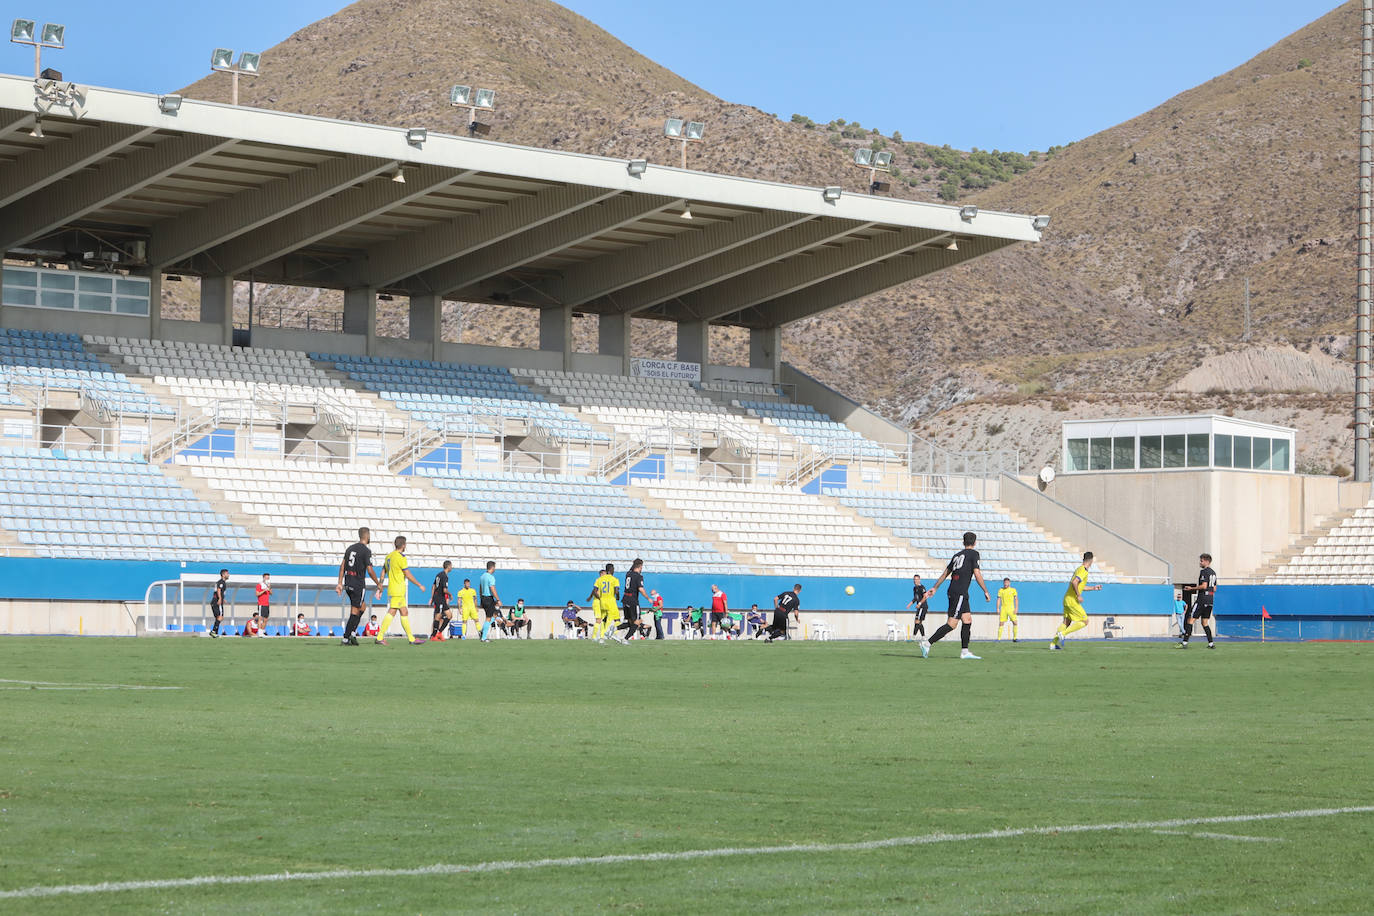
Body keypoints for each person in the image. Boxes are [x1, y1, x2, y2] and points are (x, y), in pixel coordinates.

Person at [921, 531, 991, 660]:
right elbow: (977, 573)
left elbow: (945, 573)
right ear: (975, 543)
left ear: (963, 542)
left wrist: (935, 588)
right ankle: (927, 643)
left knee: (967, 620)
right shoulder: (974, 554)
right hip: (959, 592)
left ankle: (965, 651)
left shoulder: (956, 556)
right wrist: (985, 590)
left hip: (957, 591)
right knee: (952, 624)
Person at [374, 535, 426, 645]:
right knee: (392, 611)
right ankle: (379, 637)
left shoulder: (389, 556)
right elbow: (407, 573)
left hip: (394, 589)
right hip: (398, 589)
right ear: (403, 545)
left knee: (404, 611)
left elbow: (383, 571)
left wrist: (381, 583)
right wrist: (419, 585)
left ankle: (411, 638)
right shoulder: (401, 557)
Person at [335, 527, 381, 647]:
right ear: (367, 536)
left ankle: (353, 633)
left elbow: (342, 566)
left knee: (362, 607)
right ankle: (346, 638)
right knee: (355, 611)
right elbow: (370, 570)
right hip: (358, 584)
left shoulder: (350, 548)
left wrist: (340, 583)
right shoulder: (365, 550)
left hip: (348, 583)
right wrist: (378, 583)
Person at [1051, 552, 1102, 650]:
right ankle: (1063, 633)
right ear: (1091, 560)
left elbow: (1078, 585)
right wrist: (1078, 595)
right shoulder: (1084, 570)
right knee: (1085, 621)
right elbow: (1074, 582)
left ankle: (1053, 644)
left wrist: (1093, 588)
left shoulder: (1078, 569)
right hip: (1072, 600)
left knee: (1066, 622)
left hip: (1067, 599)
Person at [1178, 553, 1219, 649]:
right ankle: (1211, 644)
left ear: (1207, 561)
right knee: (1204, 622)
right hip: (1210, 600)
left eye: (1201, 560)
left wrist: (1192, 588)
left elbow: (1204, 586)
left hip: (1202, 599)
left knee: (1191, 619)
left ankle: (1184, 643)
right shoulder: (1213, 572)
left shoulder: (1204, 572)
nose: (1200, 562)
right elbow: (1215, 588)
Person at [614, 558, 647, 644]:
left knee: (630, 622)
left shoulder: (628, 574)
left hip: (625, 599)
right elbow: (640, 589)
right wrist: (648, 598)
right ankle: (625, 639)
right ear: (640, 566)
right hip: (633, 601)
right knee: (638, 621)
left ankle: (613, 629)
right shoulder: (639, 576)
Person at [593, 564, 620, 643]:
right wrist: (617, 596)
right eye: (613, 569)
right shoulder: (615, 579)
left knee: (603, 620)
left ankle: (601, 636)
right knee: (615, 619)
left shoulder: (599, 579)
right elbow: (616, 590)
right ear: (611, 570)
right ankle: (608, 634)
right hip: (611, 601)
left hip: (602, 602)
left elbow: (595, 591)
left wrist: (600, 598)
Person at [478, 560, 501, 642]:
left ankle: (482, 631)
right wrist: (498, 599)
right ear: (492, 567)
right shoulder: (491, 577)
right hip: (488, 598)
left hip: (483, 598)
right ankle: (484, 638)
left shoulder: (482, 576)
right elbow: (492, 588)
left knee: (493, 615)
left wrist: (481, 598)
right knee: (488, 618)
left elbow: (480, 588)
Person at [430, 561, 453, 642]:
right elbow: (444, 590)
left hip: (440, 598)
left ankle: (439, 633)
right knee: (438, 616)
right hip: (439, 598)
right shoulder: (444, 576)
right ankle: (433, 636)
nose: (452, 567)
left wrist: (432, 598)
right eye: (451, 566)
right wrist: (450, 594)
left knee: (449, 615)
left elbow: (433, 586)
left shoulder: (438, 575)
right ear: (448, 566)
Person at [905, 575, 929, 642]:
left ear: (919, 580)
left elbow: (925, 597)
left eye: (917, 579)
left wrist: (919, 604)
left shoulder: (922, 587)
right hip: (919, 607)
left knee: (917, 621)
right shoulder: (915, 588)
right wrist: (909, 604)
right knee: (919, 622)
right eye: (914, 579)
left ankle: (914, 636)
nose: (915, 581)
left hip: (923, 606)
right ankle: (923, 637)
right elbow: (916, 598)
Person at [997, 577, 1019, 642]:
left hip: (1011, 608)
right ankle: (998, 639)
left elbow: (1016, 599)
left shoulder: (1013, 590)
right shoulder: (1001, 590)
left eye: (1007, 582)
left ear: (1009, 583)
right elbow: (998, 599)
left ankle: (1015, 638)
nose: (1006, 584)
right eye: (1005, 582)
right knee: (1001, 623)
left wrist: (1016, 608)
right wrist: (998, 608)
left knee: (1015, 622)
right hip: (1003, 608)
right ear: (1003, 583)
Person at [209, 568, 229, 638]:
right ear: (223, 575)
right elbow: (218, 590)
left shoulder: (221, 582)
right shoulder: (221, 582)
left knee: (218, 617)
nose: (228, 575)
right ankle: (213, 631)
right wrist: (220, 598)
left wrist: (223, 599)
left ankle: (215, 633)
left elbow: (217, 591)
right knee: (220, 617)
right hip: (217, 602)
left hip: (215, 601)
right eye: (227, 573)